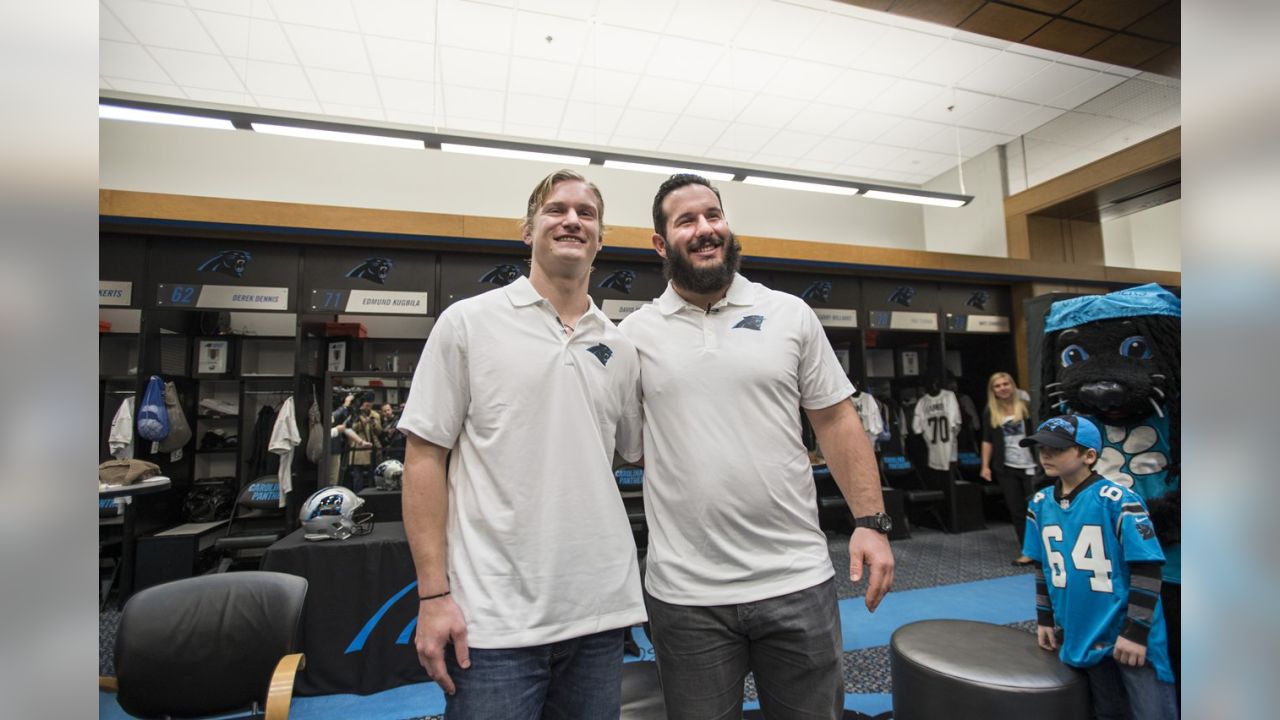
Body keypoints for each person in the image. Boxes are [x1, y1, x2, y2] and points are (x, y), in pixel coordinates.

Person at [618, 173, 895, 719]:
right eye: (686, 221)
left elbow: (837, 420)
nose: (705, 229)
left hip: (795, 581)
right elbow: (633, 446)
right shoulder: (634, 335)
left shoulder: (789, 314)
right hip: (686, 594)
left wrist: (872, 520)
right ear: (660, 243)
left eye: (713, 215)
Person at [397, 169, 645, 718]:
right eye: (557, 209)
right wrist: (433, 596)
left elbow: (640, 449)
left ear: (600, 239)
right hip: (492, 622)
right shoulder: (467, 324)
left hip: (599, 614)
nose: (572, 220)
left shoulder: (620, 347)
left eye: (587, 213)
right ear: (528, 229)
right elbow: (423, 459)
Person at [1021, 415, 1177, 720]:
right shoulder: (1038, 504)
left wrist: (1135, 631)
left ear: (1089, 455)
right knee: (1103, 711)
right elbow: (1043, 567)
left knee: (1151, 710)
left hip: (1125, 631)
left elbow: (1147, 569)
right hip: (1078, 630)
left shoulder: (1119, 501)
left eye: (1057, 449)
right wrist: (1044, 619)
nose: (1046, 455)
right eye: (1042, 449)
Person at [978, 372, 1040, 566]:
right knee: (1017, 511)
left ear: (1012, 386)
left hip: (1031, 466)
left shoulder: (1027, 407)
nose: (1002, 388)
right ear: (993, 390)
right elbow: (987, 440)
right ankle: (1027, 551)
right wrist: (985, 466)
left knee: (1036, 510)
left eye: (1006, 384)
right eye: (998, 386)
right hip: (1007, 467)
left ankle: (1046, 549)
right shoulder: (991, 411)